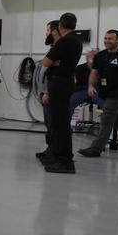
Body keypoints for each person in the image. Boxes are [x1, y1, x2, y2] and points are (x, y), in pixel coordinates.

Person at [78, 29, 118, 159]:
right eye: (106, 38)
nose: (107, 41)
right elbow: (95, 73)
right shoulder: (100, 56)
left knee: (106, 118)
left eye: (110, 39)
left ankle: (96, 148)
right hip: (105, 93)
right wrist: (91, 85)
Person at [40, 11, 82, 173]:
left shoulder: (65, 42)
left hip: (60, 83)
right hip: (65, 82)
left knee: (60, 123)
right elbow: (52, 61)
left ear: (60, 26)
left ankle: (65, 161)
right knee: (59, 123)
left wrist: (54, 61)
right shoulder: (76, 41)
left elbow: (45, 62)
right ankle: (57, 156)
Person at [36, 20, 60, 160]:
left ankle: (54, 151)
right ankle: (50, 149)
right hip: (45, 92)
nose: (46, 33)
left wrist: (47, 92)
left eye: (48, 30)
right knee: (49, 124)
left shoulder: (59, 48)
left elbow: (55, 74)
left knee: (53, 124)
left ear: (55, 31)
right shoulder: (53, 47)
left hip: (50, 92)